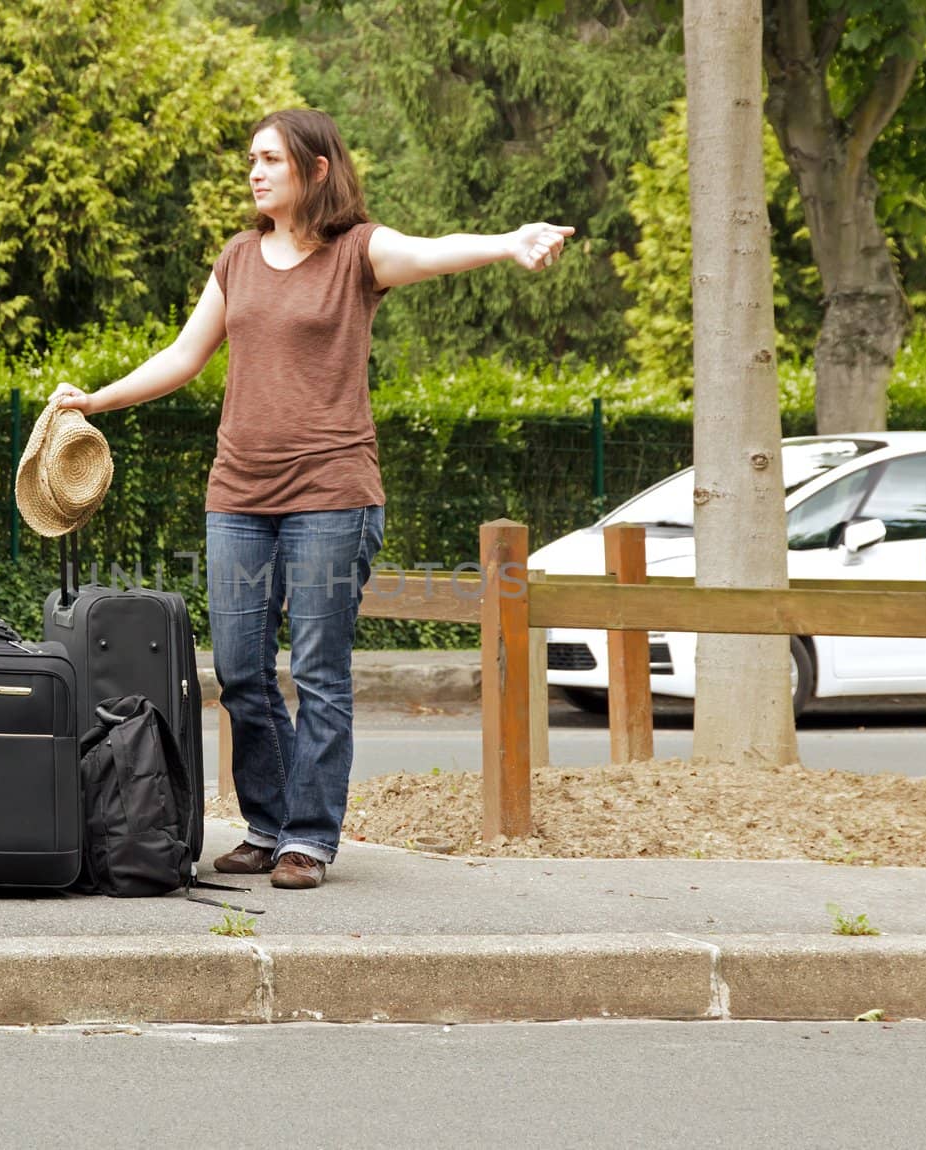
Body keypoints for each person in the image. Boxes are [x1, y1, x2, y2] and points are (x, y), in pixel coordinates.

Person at [51, 108, 571, 889]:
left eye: (270, 159)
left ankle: (310, 836)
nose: (254, 172)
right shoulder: (237, 259)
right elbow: (185, 356)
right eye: (251, 159)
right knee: (240, 668)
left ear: (316, 169)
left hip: (332, 493)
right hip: (238, 493)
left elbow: (432, 254)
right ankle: (267, 822)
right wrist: (95, 400)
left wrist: (508, 242)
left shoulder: (358, 253)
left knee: (321, 670)